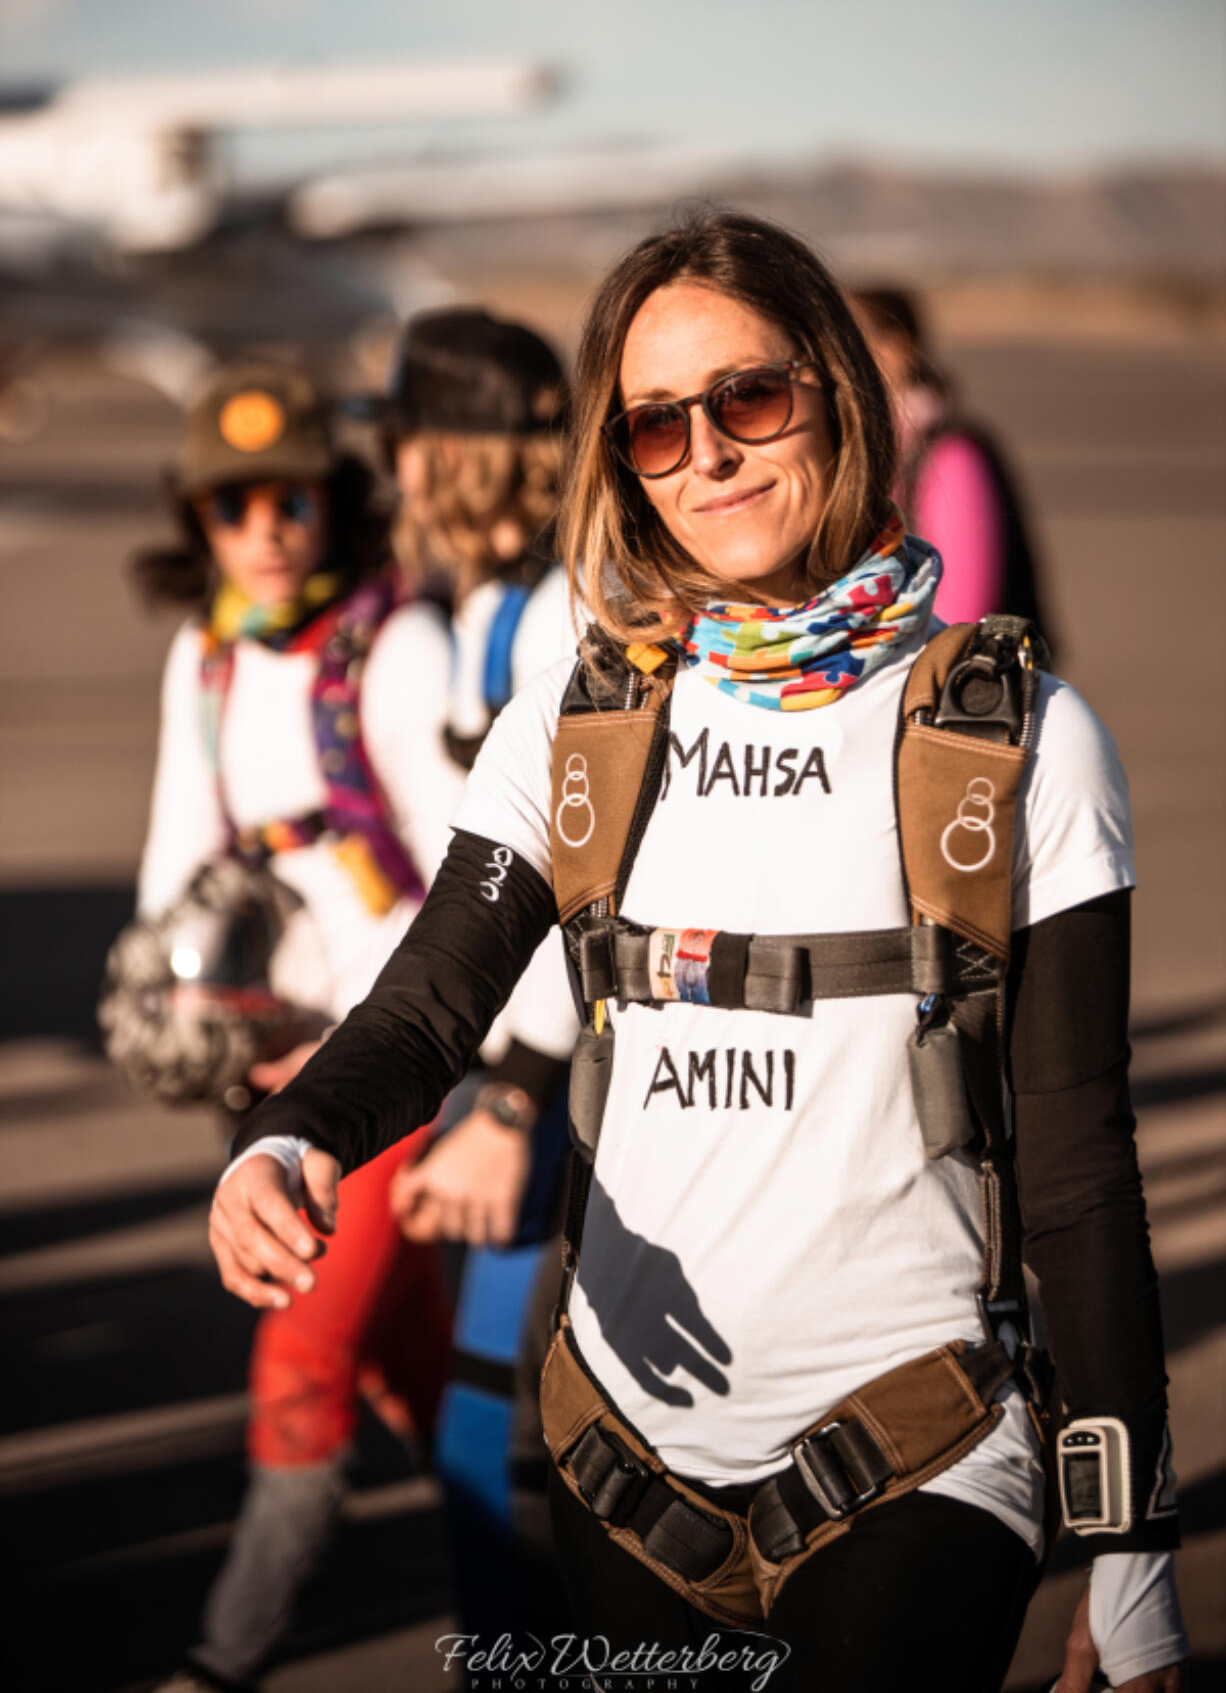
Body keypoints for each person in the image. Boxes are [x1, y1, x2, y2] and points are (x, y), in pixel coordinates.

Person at [206, 216, 1187, 1693]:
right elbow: (426, 1005)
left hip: (916, 1454)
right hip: (621, 1476)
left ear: (835, 395)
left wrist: (1130, 1548)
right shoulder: (575, 722)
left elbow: (1077, 1163)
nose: (706, 456)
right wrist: (287, 1139)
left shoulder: (1015, 735)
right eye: (653, 425)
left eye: (746, 398)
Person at [134, 361, 459, 1693]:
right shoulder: (205, 654)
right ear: (198, 522)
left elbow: (461, 884)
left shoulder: (397, 642)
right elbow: (176, 846)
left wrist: (378, 1062)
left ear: (337, 500)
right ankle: (568, 1585)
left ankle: (227, 1657)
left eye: (292, 497)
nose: (264, 527)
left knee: (303, 1350)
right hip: (262, 1071)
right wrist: (168, 991)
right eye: (232, 504)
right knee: (417, 1367)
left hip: (388, 1066)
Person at [380, 306, 579, 1639]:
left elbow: (578, 875)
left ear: (440, 455)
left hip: (556, 1075)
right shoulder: (478, 608)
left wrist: (510, 1099)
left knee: (497, 1432)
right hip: (511, 1066)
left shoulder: (559, 615)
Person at [855, 284, 1052, 642]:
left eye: (852, 344)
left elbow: (964, 617)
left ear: (898, 349)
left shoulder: (952, 455)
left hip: (942, 680)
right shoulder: (865, 452)